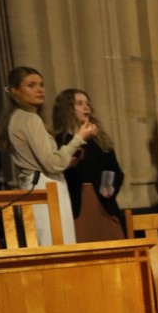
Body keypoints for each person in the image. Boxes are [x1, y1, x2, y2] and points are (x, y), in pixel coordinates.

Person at [0, 66, 94, 245]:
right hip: (45, 187)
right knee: (56, 245)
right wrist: (79, 138)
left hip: (36, 184)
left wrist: (67, 162)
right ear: (15, 91)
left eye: (41, 84)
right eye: (31, 85)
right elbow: (52, 164)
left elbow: (43, 161)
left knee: (46, 243)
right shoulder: (29, 119)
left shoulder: (16, 117)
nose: (39, 90)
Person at [53, 88, 125, 240]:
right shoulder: (58, 141)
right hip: (75, 206)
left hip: (103, 205)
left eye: (87, 103)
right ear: (67, 108)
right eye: (79, 103)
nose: (86, 107)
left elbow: (115, 170)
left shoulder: (99, 139)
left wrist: (110, 186)